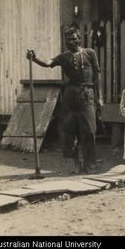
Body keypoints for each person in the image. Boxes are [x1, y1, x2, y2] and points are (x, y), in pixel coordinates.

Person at [26, 26, 103, 174]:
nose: (71, 42)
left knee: (90, 131)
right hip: (70, 95)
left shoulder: (90, 53)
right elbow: (48, 63)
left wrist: (100, 97)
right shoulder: (64, 57)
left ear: (79, 39)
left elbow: (97, 76)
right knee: (69, 131)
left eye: (74, 39)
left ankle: (90, 164)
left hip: (87, 94)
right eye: (68, 40)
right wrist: (35, 58)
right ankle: (74, 164)